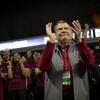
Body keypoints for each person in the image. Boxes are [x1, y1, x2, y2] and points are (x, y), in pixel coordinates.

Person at [35, 20, 95, 100]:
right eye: (60, 29)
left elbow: (90, 64)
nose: (63, 30)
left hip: (79, 96)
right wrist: (51, 42)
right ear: (55, 34)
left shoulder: (80, 48)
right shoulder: (49, 50)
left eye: (66, 28)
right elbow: (42, 67)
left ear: (71, 32)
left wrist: (79, 42)